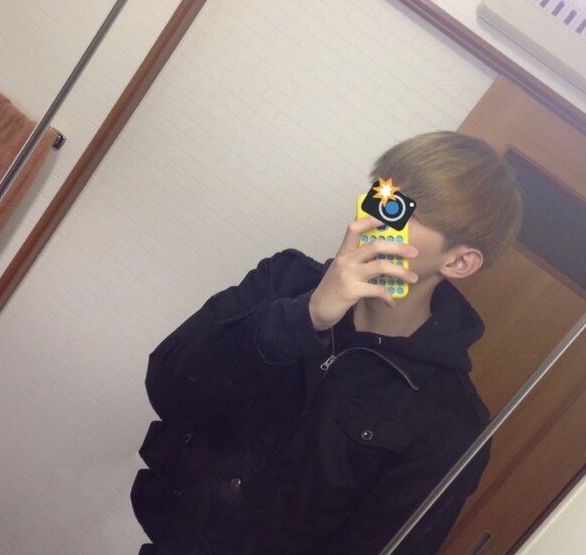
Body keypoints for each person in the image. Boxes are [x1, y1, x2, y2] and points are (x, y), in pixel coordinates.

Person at [130, 131, 523, 554]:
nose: (373, 218)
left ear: (459, 261)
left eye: (402, 210)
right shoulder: (284, 280)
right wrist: (305, 316)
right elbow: (168, 387)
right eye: (381, 193)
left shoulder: (451, 421)